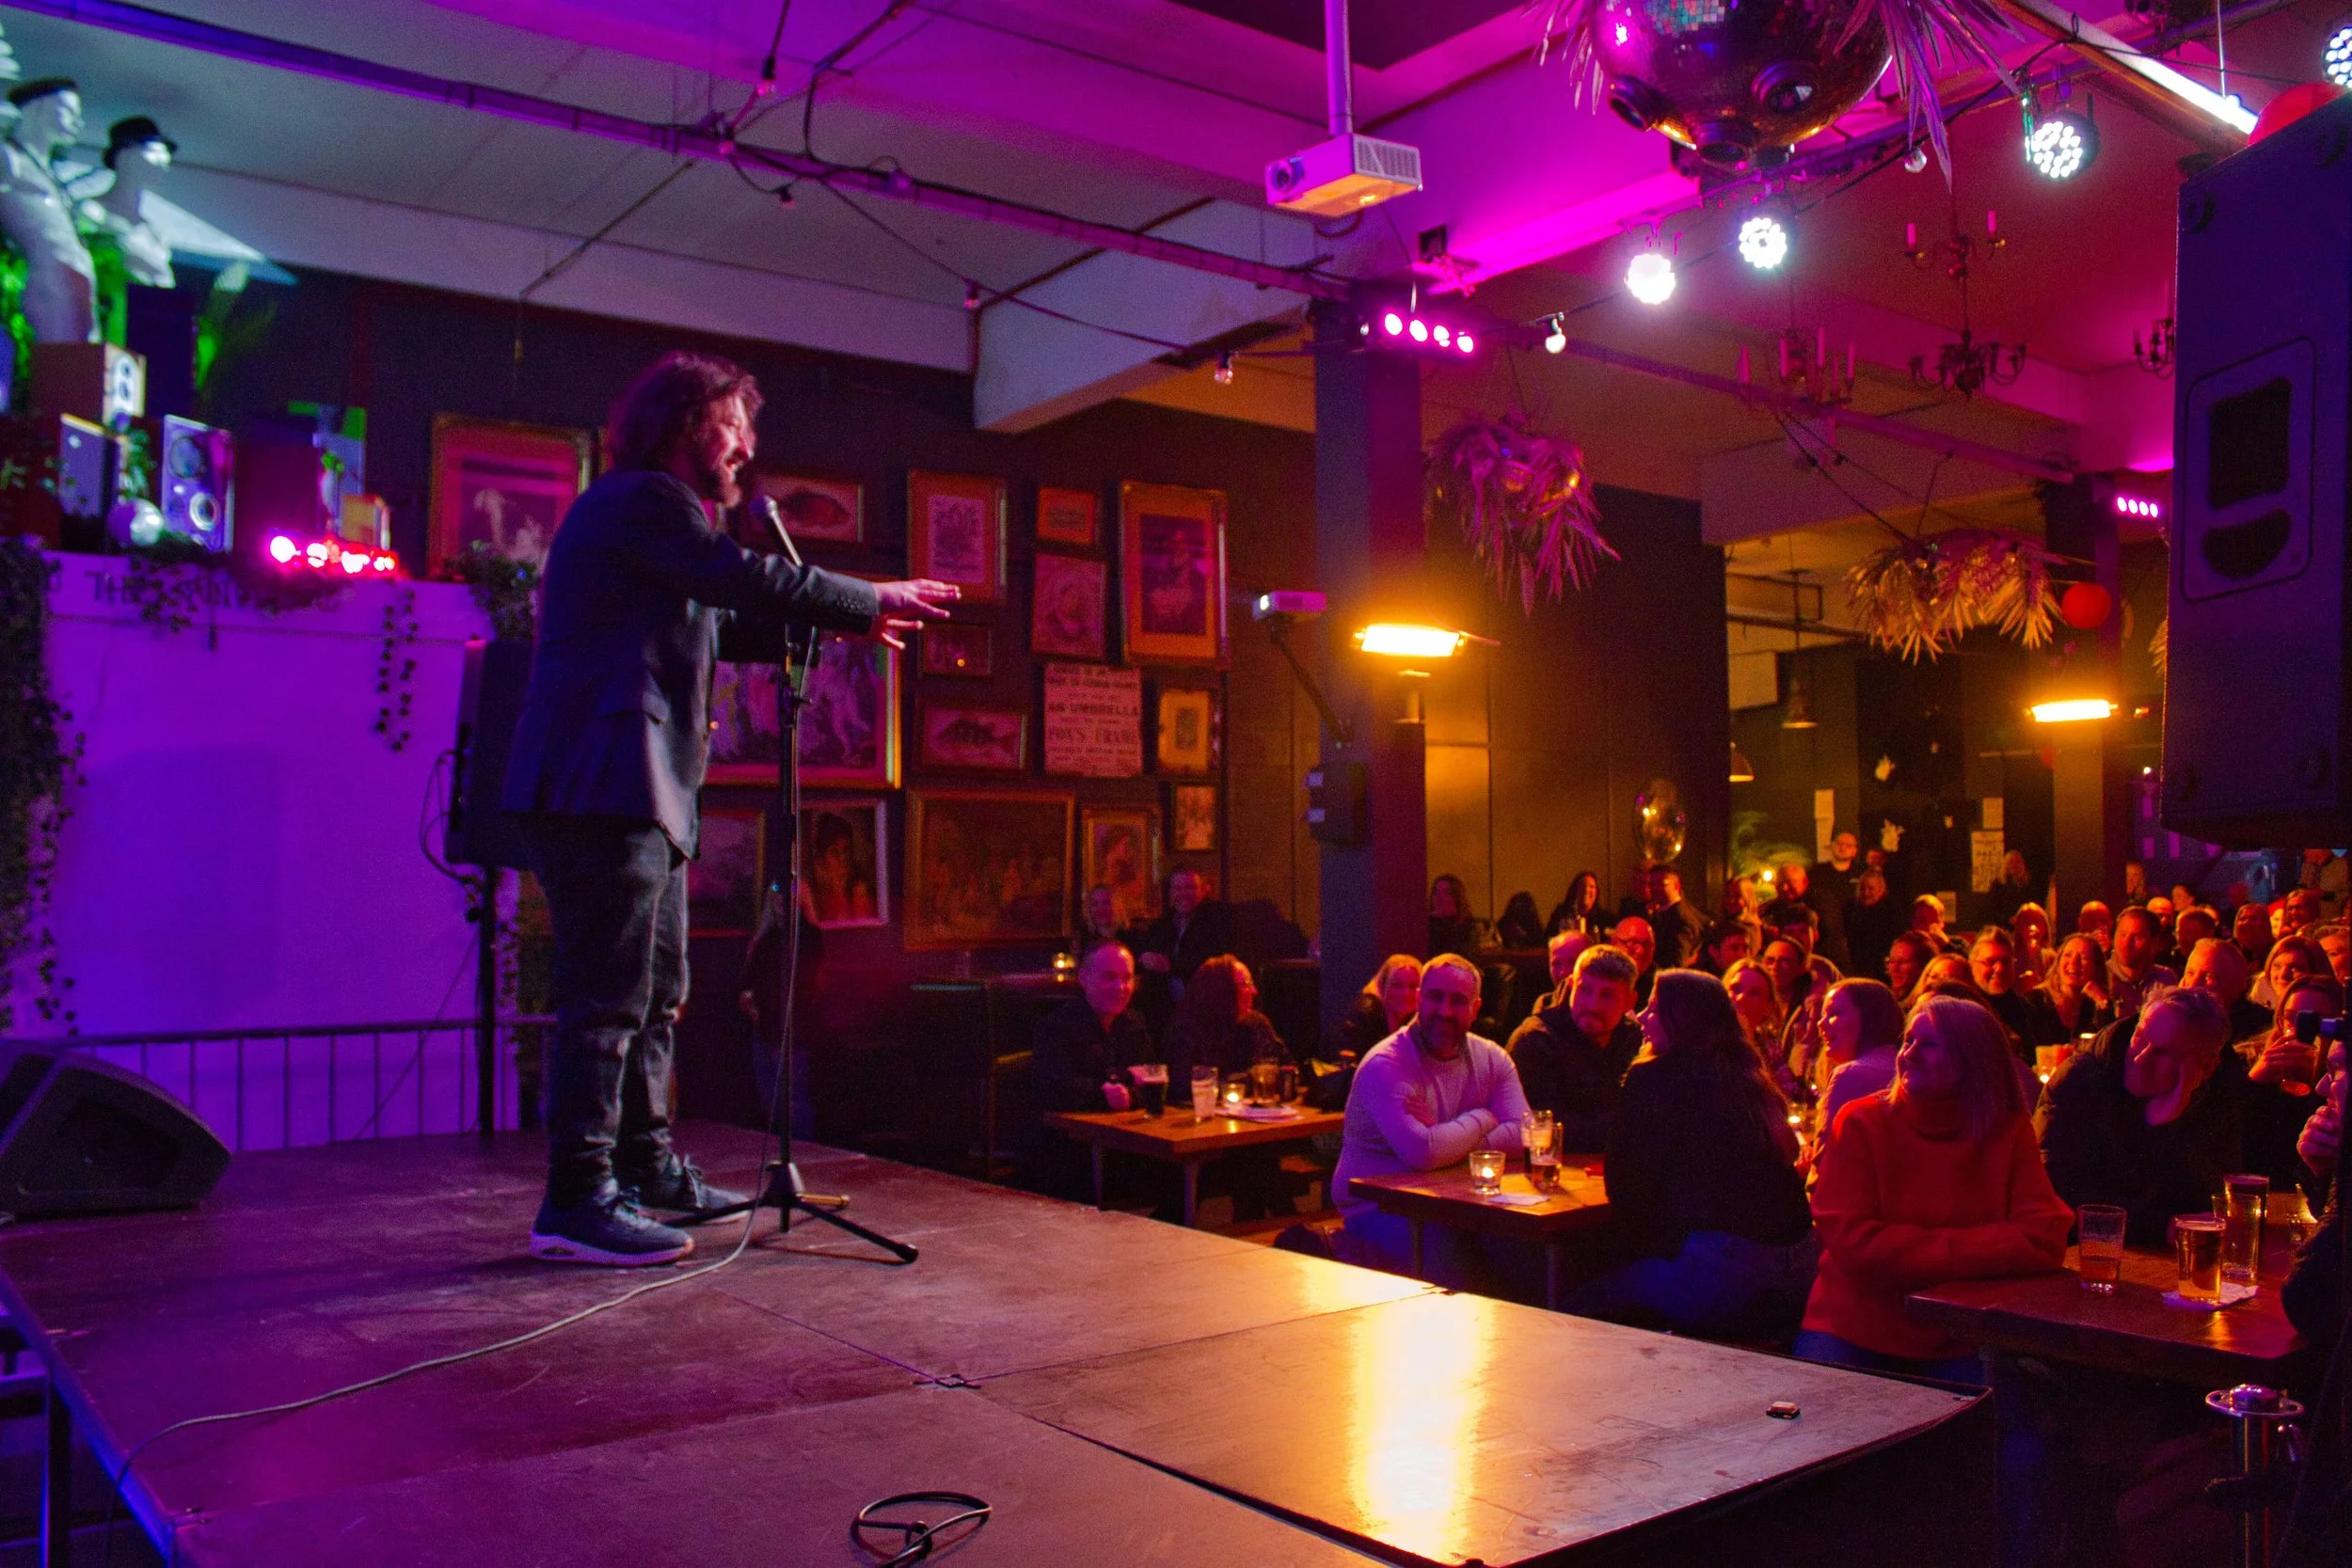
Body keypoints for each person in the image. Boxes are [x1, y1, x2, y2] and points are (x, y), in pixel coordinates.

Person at [503, 351, 954, 1265]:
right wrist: (863, 597)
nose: (747, 446)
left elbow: (721, 616)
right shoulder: (644, 500)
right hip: (605, 784)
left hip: (639, 790)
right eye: (733, 424)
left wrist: (832, 618)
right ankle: (577, 1198)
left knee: (657, 993)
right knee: (609, 999)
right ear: (682, 423)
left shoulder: (657, 530)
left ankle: (646, 1168)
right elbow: (731, 576)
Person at [1796, 995, 2073, 1383]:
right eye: (1908, 1041)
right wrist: (1986, 1246)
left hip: (1961, 1334)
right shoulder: (1861, 1123)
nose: (1908, 1054)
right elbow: (1855, 1243)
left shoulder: (2007, 1131)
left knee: (2010, 1415)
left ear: (1972, 1059)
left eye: (1928, 1044)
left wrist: (1913, 1251)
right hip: (1855, 1325)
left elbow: (2044, 1239)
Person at [1567, 971, 1818, 1340]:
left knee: (1565, 1307)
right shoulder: (1748, 1077)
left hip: (1725, 1274)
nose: (1641, 1017)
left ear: (1682, 1020)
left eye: (1655, 1009)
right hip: (1797, 1271)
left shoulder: (1654, 1077)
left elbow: (1627, 1192)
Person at [1332, 955, 1531, 1284]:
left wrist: (1444, 1136)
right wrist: (1484, 1117)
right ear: (1419, 998)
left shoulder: (1492, 1058)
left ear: (1476, 1008)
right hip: (1380, 1210)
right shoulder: (1387, 1063)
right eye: (1435, 997)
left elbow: (1523, 1134)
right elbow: (1423, 1152)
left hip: (1460, 1204)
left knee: (1524, 1258)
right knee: (1467, 1278)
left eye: (1458, 1001)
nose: (1445, 1011)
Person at [2036, 986, 2242, 1243]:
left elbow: (2214, 1196)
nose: (2141, 1059)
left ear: (2207, 1067)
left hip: (2160, 1258)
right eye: (2141, 1038)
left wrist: (2171, 1120)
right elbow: (2064, 1200)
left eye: (2164, 1052)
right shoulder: (2078, 1082)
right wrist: (2161, 1228)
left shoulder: (2214, 1092)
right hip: (2083, 1256)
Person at [1165, 955, 1294, 1221]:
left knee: (1257, 1157)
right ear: (1220, 992)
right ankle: (1288, 1221)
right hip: (1200, 1138)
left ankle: (1272, 1222)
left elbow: (1284, 1069)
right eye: (1245, 984)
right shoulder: (1187, 1028)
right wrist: (1250, 1080)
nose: (1254, 991)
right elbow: (1183, 1086)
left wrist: (1240, 1083)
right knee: (1256, 1161)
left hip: (1247, 1134)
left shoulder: (1256, 1024)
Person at [1025, 942, 1156, 1198]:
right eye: (1109, 978)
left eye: (1127, 978)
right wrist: (1103, 1092)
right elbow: (1052, 1088)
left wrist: (1130, 1096)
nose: (1120, 987)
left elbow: (1153, 1082)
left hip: (1125, 1145)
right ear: (1084, 979)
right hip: (1068, 1148)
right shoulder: (1058, 1026)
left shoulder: (1135, 1025)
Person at [1508, 944, 1643, 1152]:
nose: (1593, 1005)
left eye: (1607, 995)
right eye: (1585, 990)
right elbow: (1545, 1128)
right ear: (1571, 986)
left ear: (1630, 1001)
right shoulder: (1536, 1040)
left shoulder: (1634, 1040)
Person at [0, 80, 99, 343]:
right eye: (68, 111)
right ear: (36, 108)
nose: (79, 123)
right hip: (45, 282)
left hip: (76, 284)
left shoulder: (54, 179)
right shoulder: (8, 159)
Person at [2241, 971, 2342, 1194]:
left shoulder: (2339, 1083)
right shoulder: (2246, 1059)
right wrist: (2255, 1080)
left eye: (2314, 1021)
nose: (2300, 1030)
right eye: (2291, 1017)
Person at [1134, 868, 1235, 1029]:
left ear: (1203, 890)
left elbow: (1216, 960)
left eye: (1190, 887)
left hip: (1204, 1005)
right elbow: (1147, 950)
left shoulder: (1218, 919)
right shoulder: (1163, 923)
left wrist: (1170, 965)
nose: (1183, 893)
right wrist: (1145, 959)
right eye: (1177, 888)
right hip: (1165, 1009)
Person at [1817, 979, 1908, 1128]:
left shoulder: (1849, 1075)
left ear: (1869, 1019)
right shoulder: (1907, 1069)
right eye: (1822, 1015)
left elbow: (1828, 1142)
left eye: (1834, 1013)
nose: (1820, 1023)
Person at [2028, 932, 2113, 1046]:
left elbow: (2110, 1047)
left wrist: (2102, 1002)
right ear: (2058, 962)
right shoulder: (2035, 1002)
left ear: (2096, 967)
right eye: (2068, 955)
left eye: (2084, 957)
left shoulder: (2093, 1006)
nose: (2073, 962)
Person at [2182, 936, 2271, 1042]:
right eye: (2190, 973)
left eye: (2208, 977)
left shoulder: (2261, 1029)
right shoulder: (2174, 1019)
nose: (2193, 984)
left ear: (2235, 985)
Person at [1335, 954, 1422, 1059]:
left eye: (1413, 986)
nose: (1406, 994)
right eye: (1397, 985)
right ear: (1382, 986)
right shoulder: (1367, 1013)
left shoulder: (1415, 1020)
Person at [1967, 928, 2037, 1056]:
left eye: (2006, 962)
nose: (1999, 969)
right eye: (1990, 962)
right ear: (1970, 964)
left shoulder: (2025, 1009)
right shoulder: (1962, 1006)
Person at [2105, 906, 2177, 1022]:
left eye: (2137, 937)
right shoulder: (2102, 976)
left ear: (2154, 942)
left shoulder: (2164, 978)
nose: (2126, 943)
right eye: (2122, 934)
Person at [1783, 862, 1851, 971]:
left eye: (1791, 882)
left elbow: (1826, 930)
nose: (1785, 888)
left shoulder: (1819, 900)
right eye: (1781, 883)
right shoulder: (1783, 904)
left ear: (1805, 882)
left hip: (1827, 965)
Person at [1643, 866, 1708, 970]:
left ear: (1677, 885)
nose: (1654, 888)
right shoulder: (1662, 912)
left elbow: (1677, 963)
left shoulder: (1680, 918)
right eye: (1651, 884)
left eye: (1661, 884)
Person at [1845, 867, 1903, 984]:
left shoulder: (1892, 912)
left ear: (1881, 890)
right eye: (1862, 888)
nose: (1866, 893)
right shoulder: (1850, 910)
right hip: (1857, 970)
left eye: (1870, 888)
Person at [1723, 958, 1788, 1060]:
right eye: (1735, 988)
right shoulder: (1703, 1044)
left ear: (1769, 1007)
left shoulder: (1770, 1051)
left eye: (1754, 993)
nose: (1741, 997)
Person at [1428, 874, 1482, 958]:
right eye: (1436, 892)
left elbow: (1463, 955)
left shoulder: (1467, 925)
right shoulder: (1427, 924)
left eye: (1446, 893)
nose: (1440, 897)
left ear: (1457, 897)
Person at [1611, 915, 1658, 1005]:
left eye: (1647, 944)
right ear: (1614, 943)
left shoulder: (1660, 987)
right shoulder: (1600, 979)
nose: (1641, 951)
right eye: (1633, 943)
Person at [1884, 929, 1938, 1007]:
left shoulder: (1927, 1006)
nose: (1894, 968)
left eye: (1903, 962)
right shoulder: (1888, 999)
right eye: (1892, 961)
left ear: (1924, 966)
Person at [1547, 871, 1607, 940]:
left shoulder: (1605, 919)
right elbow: (1548, 939)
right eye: (1582, 886)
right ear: (1575, 890)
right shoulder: (1561, 914)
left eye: (1591, 886)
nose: (1586, 889)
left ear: (1596, 892)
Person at [1984, 849, 2036, 929]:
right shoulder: (1998, 884)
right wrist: (2008, 919)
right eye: (2011, 862)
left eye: (2017, 862)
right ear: (2005, 864)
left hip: (2024, 928)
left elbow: (2033, 906)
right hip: (2003, 929)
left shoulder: (2028, 884)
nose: (2014, 865)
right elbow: (1991, 911)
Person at [2010, 902, 2053, 990]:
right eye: (2027, 922)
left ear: (2045, 927)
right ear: (2018, 927)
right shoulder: (2009, 957)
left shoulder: (2052, 959)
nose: (2032, 928)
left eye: (2037, 921)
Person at [2235, 899, 2278, 970]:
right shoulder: (2232, 949)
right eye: (2242, 919)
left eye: (2253, 919)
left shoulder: (2275, 951)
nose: (2246, 923)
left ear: (2264, 924)